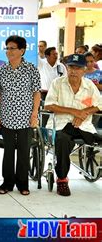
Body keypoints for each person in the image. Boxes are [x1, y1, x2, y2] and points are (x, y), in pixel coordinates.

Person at [44, 54, 102, 196]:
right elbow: (49, 105)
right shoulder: (57, 83)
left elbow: (99, 104)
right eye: (71, 67)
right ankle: (62, 179)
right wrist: (74, 112)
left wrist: (83, 113)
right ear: (67, 68)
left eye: (77, 68)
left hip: (83, 126)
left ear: (84, 70)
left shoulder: (89, 86)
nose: (73, 71)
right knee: (63, 140)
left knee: (97, 139)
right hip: (61, 125)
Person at [0, 35, 41, 196]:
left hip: (25, 118)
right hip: (6, 117)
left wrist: (34, 114)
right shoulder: (1, 70)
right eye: (7, 48)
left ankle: (23, 184)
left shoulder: (31, 69)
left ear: (22, 50)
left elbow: (36, 93)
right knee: (8, 152)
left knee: (23, 152)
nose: (9, 51)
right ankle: (7, 183)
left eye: (12, 48)